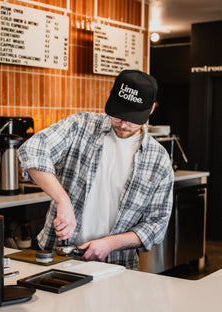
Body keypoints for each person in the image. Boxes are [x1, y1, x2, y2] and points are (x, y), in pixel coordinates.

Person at [18, 70, 174, 270]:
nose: (123, 123)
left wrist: (110, 244)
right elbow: (32, 149)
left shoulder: (158, 159)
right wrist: (62, 200)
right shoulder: (81, 125)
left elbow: (156, 225)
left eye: (132, 118)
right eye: (118, 115)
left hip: (117, 266)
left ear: (151, 109)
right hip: (57, 256)